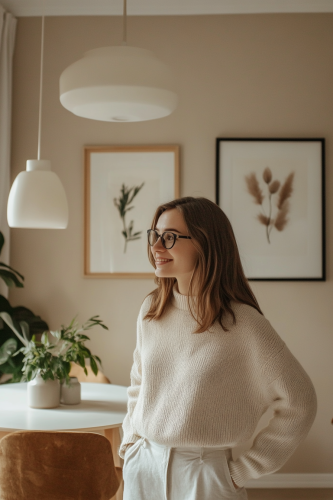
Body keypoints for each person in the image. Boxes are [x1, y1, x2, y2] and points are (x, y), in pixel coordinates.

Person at [119, 197, 317, 500]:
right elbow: (139, 382)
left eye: (169, 237)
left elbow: (300, 400)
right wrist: (130, 442)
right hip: (143, 466)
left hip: (205, 476)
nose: (156, 247)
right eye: (154, 235)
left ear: (205, 242)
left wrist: (242, 471)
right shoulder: (151, 310)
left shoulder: (244, 324)